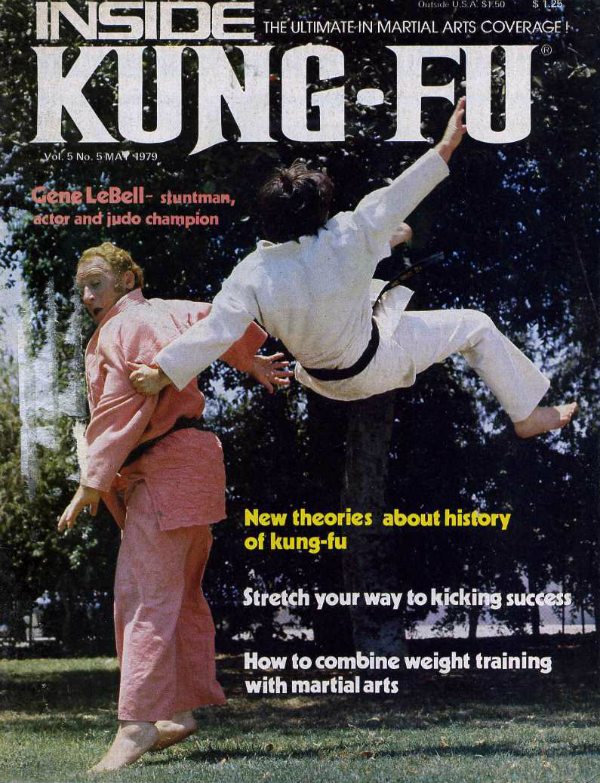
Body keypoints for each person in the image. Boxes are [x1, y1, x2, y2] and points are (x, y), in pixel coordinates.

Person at [130, 99, 577, 437]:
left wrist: (160, 374)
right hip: (374, 363)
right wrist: (445, 146)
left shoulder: (250, 273)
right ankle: (525, 415)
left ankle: (385, 247)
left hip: (320, 380)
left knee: (365, 285)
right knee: (475, 325)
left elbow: (215, 331)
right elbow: (399, 195)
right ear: (321, 211)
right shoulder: (347, 232)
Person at [57, 242, 291, 772]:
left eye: (96, 283)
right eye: (82, 288)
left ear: (126, 278)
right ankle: (178, 713)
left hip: (166, 470)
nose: (88, 296)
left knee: (141, 595)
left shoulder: (129, 323)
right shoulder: (164, 311)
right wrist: (249, 360)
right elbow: (218, 320)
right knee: (176, 596)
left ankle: (138, 723)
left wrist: (91, 480)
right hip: (189, 470)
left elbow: (125, 401)